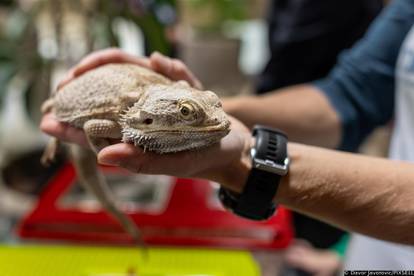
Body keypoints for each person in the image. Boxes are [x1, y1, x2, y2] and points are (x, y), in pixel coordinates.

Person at [41, 0, 414, 268]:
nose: (218, 122)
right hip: (373, 253)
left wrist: (243, 160)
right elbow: (349, 96)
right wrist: (185, 98)